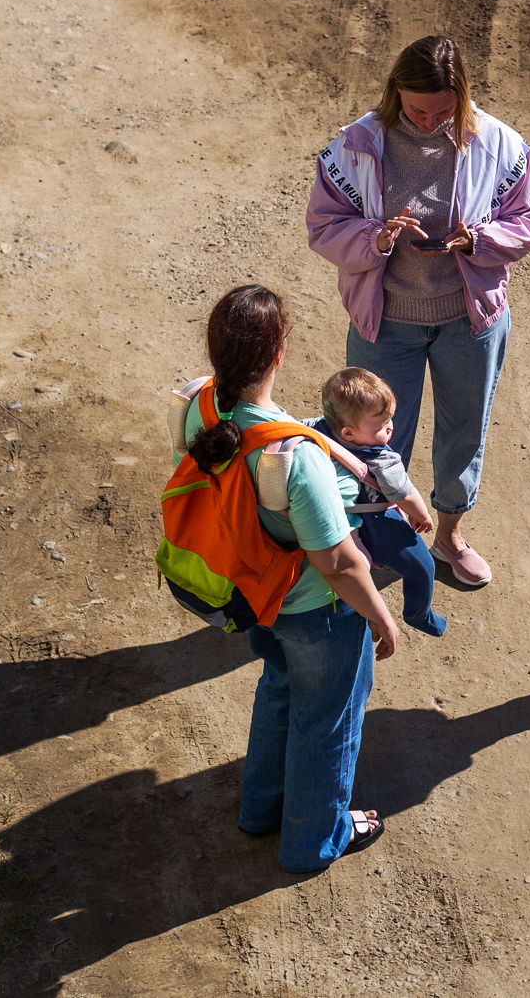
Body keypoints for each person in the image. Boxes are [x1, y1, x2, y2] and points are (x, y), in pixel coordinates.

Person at [306, 34, 530, 590]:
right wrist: (377, 236)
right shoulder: (355, 146)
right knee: (372, 439)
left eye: (444, 110)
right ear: (396, 91)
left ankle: (449, 537)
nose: (430, 120)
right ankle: (374, 539)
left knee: (465, 429)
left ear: (462, 96)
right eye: (418, 109)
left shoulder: (500, 146)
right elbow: (323, 226)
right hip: (386, 321)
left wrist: (478, 241)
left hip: (469, 320)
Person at [173, 284, 400, 871]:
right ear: (279, 355)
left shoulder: (198, 405)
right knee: (327, 721)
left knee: (279, 689)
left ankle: (260, 809)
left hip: (251, 596)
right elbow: (340, 563)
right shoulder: (296, 456)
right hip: (313, 611)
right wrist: (381, 615)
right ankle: (312, 842)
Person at [309, 367, 449, 638]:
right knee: (423, 568)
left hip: (336, 522)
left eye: (390, 419)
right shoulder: (382, 460)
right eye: (381, 425)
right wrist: (422, 516)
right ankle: (419, 614)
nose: (391, 427)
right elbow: (405, 494)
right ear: (349, 433)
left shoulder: (314, 429)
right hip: (377, 524)